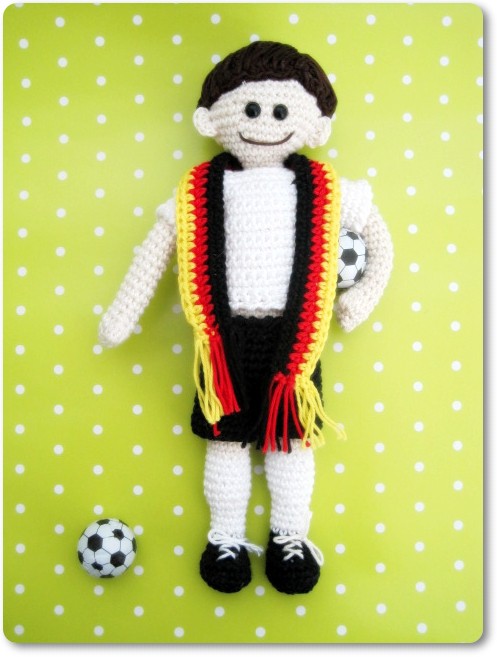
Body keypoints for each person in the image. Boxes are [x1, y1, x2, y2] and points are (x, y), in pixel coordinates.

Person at [99, 41, 393, 595]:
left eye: (281, 112)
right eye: (251, 110)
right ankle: (225, 538)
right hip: (223, 343)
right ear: (211, 120)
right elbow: (155, 251)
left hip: (295, 342)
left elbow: (381, 241)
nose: (264, 123)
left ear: (315, 126)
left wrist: (361, 298)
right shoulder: (197, 192)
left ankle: (290, 536)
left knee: (291, 442)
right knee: (225, 442)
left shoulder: (328, 191)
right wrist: (122, 314)